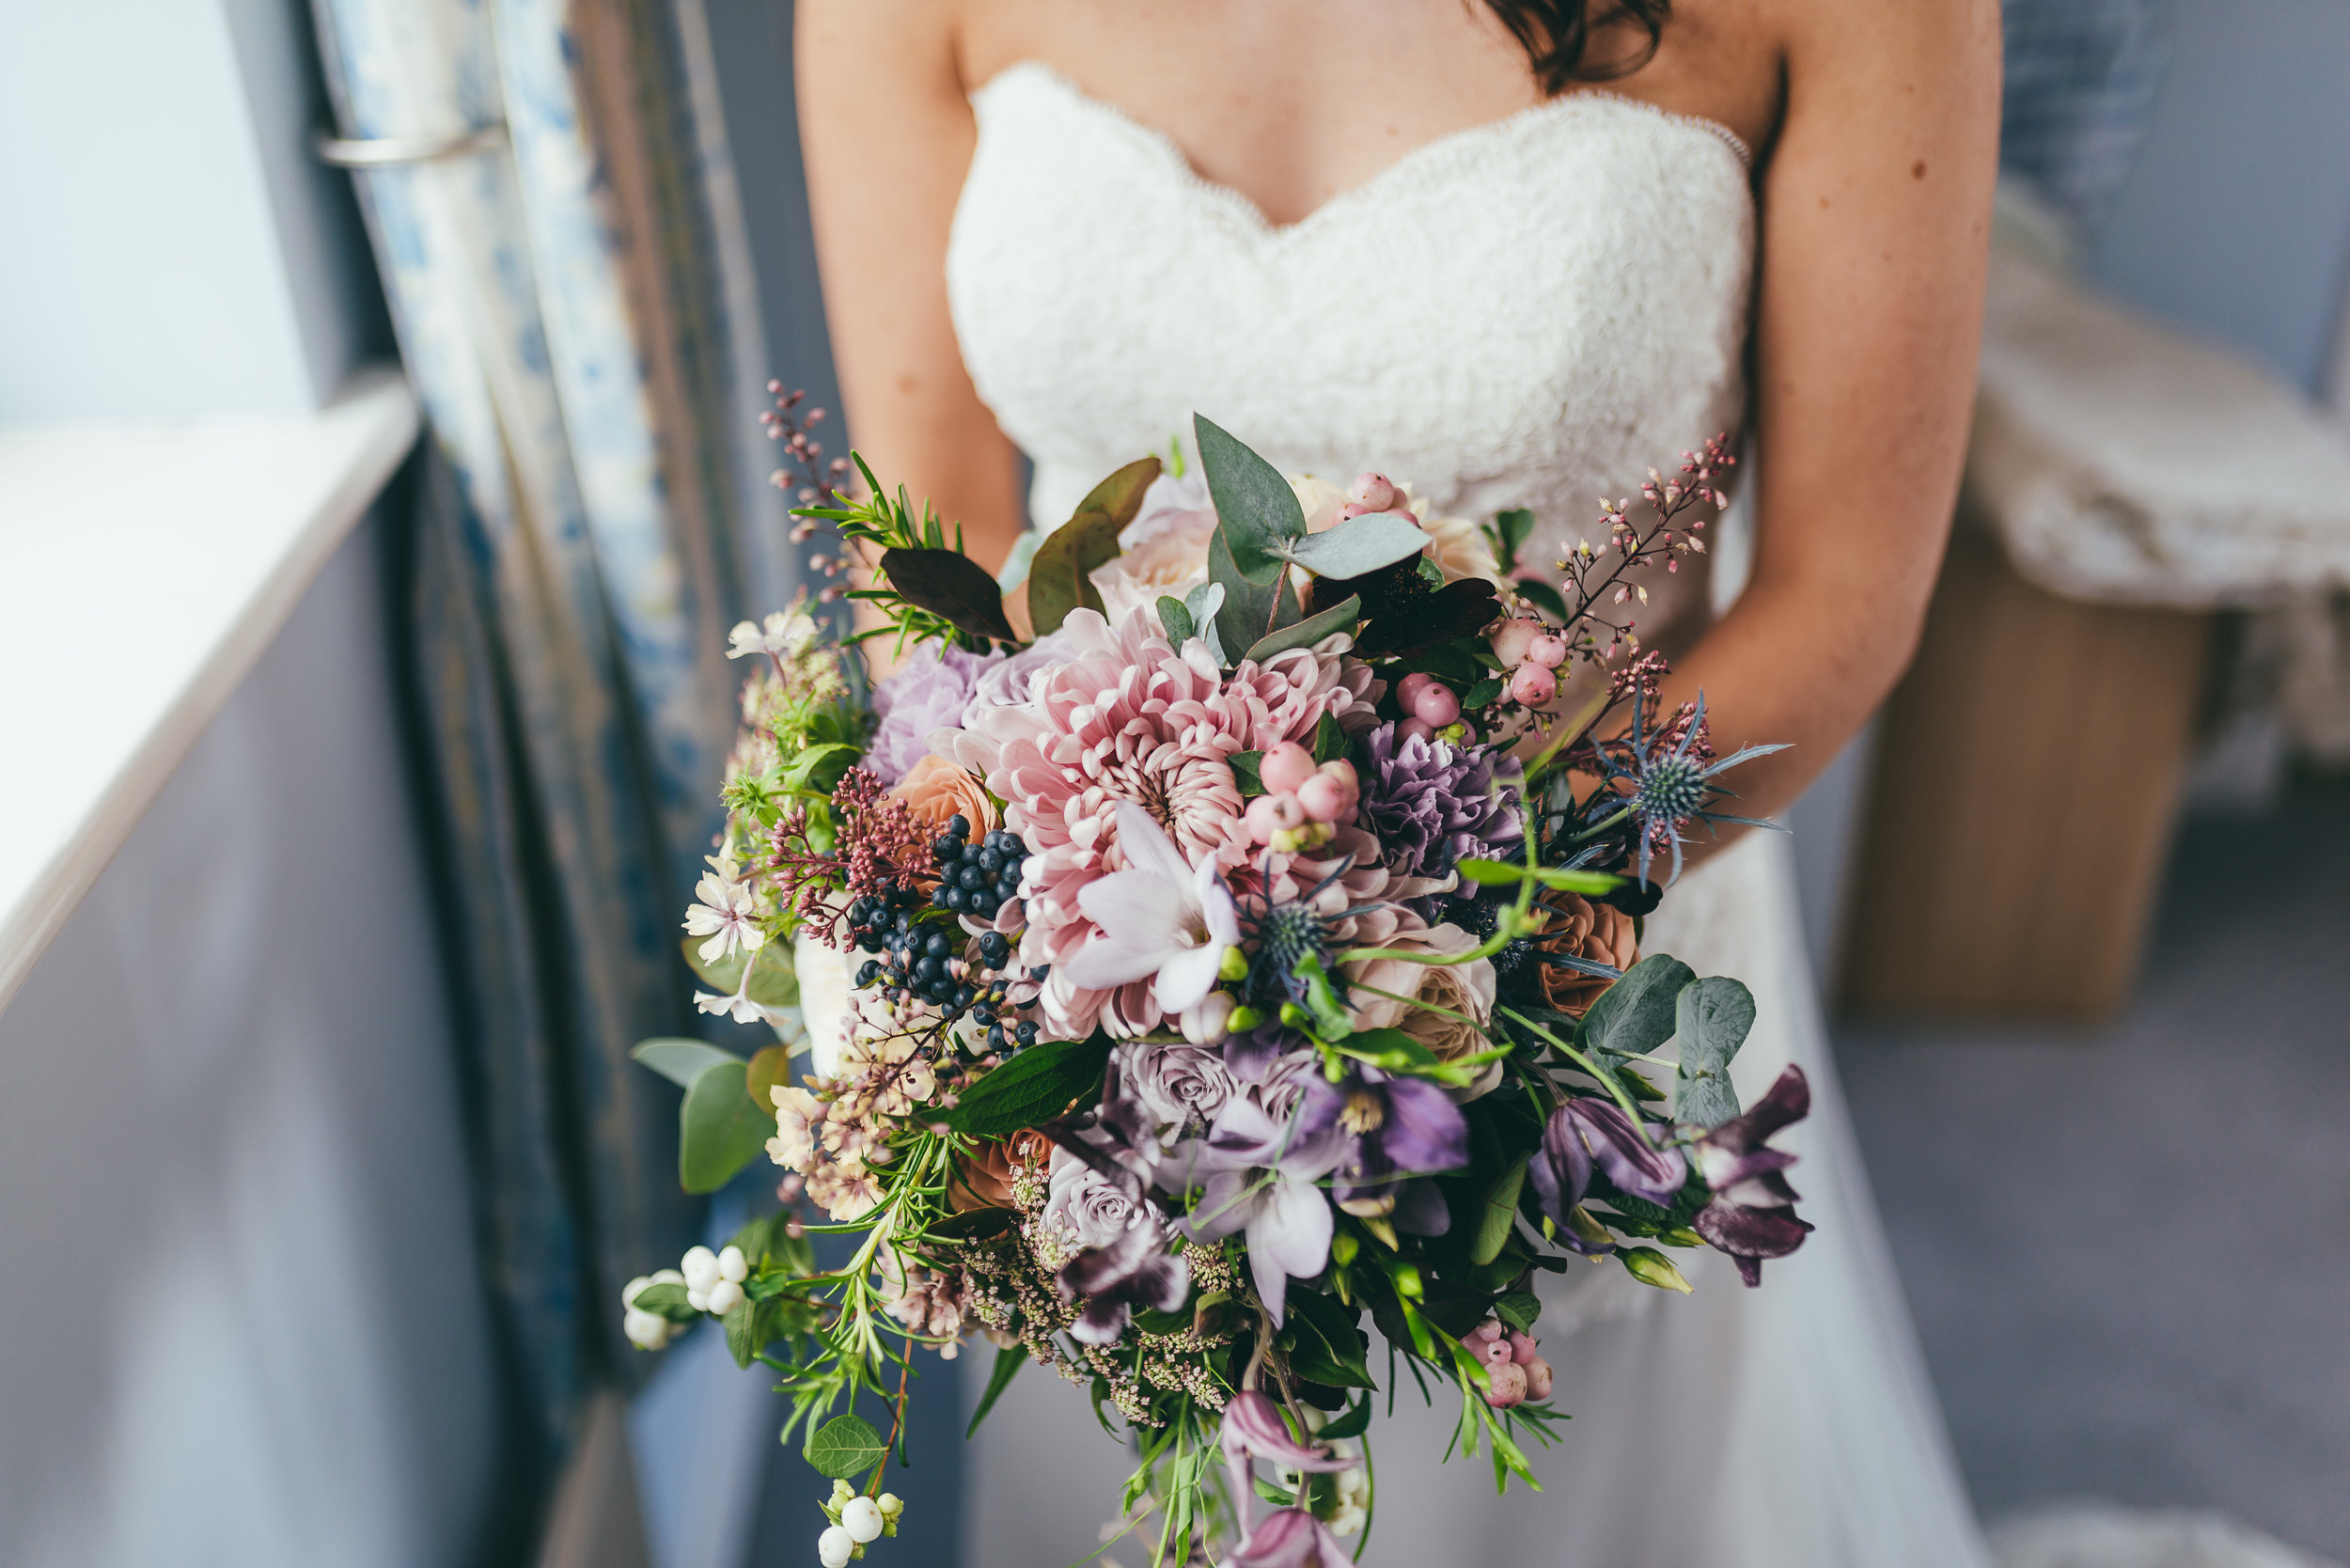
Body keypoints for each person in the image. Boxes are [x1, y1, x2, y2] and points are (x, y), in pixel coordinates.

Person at [799, 3, 2000, 1563]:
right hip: (1103, 1016)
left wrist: (1441, 960)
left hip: (1575, 972)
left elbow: (1848, 593)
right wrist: (1045, 980)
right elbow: (935, 547)